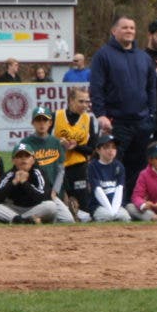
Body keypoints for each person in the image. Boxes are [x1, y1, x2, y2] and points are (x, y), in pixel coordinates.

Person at [88, 14, 157, 200]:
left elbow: (151, 88)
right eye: (125, 27)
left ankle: (132, 204)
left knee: (138, 167)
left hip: (142, 123)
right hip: (116, 122)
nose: (129, 31)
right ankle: (111, 204)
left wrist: (151, 115)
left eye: (132, 28)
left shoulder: (143, 57)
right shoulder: (103, 55)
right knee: (113, 164)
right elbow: (96, 87)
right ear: (114, 31)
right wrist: (100, 114)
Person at [52, 86, 98, 216]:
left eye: (87, 101)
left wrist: (76, 146)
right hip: (57, 166)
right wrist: (57, 143)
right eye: (81, 101)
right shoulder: (56, 116)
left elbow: (92, 149)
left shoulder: (88, 119)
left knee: (82, 207)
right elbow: (45, 143)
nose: (85, 105)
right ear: (71, 101)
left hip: (78, 168)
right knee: (60, 203)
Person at [0, 142, 57, 224]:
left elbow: (43, 197)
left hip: (35, 208)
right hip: (14, 209)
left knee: (50, 206)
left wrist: (25, 183)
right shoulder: (9, 175)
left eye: (27, 156)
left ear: (33, 160)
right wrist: (14, 182)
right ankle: (25, 220)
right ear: (13, 160)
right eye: (19, 156)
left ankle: (19, 220)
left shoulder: (38, 172)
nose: (23, 159)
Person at [87, 135, 131, 222]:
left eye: (114, 147)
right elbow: (97, 191)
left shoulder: (119, 166)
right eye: (106, 147)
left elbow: (119, 189)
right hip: (99, 205)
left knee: (125, 218)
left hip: (116, 205)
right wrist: (111, 212)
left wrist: (114, 210)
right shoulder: (93, 166)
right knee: (107, 216)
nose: (111, 150)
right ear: (98, 150)